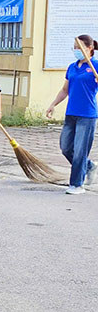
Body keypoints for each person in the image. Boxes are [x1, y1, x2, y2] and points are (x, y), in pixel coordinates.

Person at [45, 34, 98, 195]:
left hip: (87, 114)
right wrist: (53, 104)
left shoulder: (95, 65)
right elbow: (65, 90)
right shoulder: (72, 67)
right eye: (75, 47)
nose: (76, 50)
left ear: (89, 49)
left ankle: (76, 184)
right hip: (71, 113)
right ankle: (88, 166)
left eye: (79, 47)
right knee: (66, 147)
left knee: (80, 150)